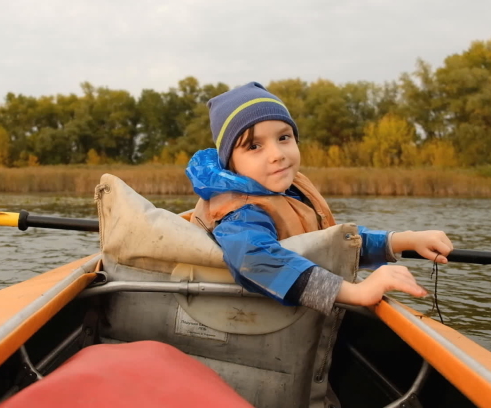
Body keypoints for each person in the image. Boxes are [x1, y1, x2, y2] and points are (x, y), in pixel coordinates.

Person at [185, 81, 453, 314]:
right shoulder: (242, 212)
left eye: (284, 137)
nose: (277, 154)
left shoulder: (288, 189)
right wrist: (358, 293)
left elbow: (328, 242)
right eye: (254, 146)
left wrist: (404, 240)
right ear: (230, 162)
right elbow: (254, 260)